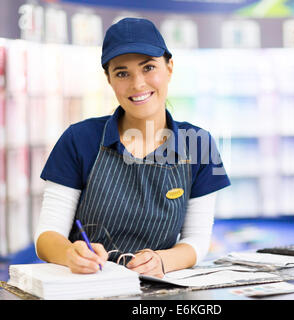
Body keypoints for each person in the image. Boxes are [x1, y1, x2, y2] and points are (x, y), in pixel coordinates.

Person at [34, 17, 230, 278]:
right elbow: (47, 236)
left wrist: (162, 260)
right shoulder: (78, 139)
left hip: (160, 290)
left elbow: (197, 240)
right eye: (122, 73)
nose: (138, 84)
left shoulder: (200, 143)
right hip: (86, 286)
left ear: (169, 67)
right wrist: (70, 254)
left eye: (148, 67)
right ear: (109, 79)